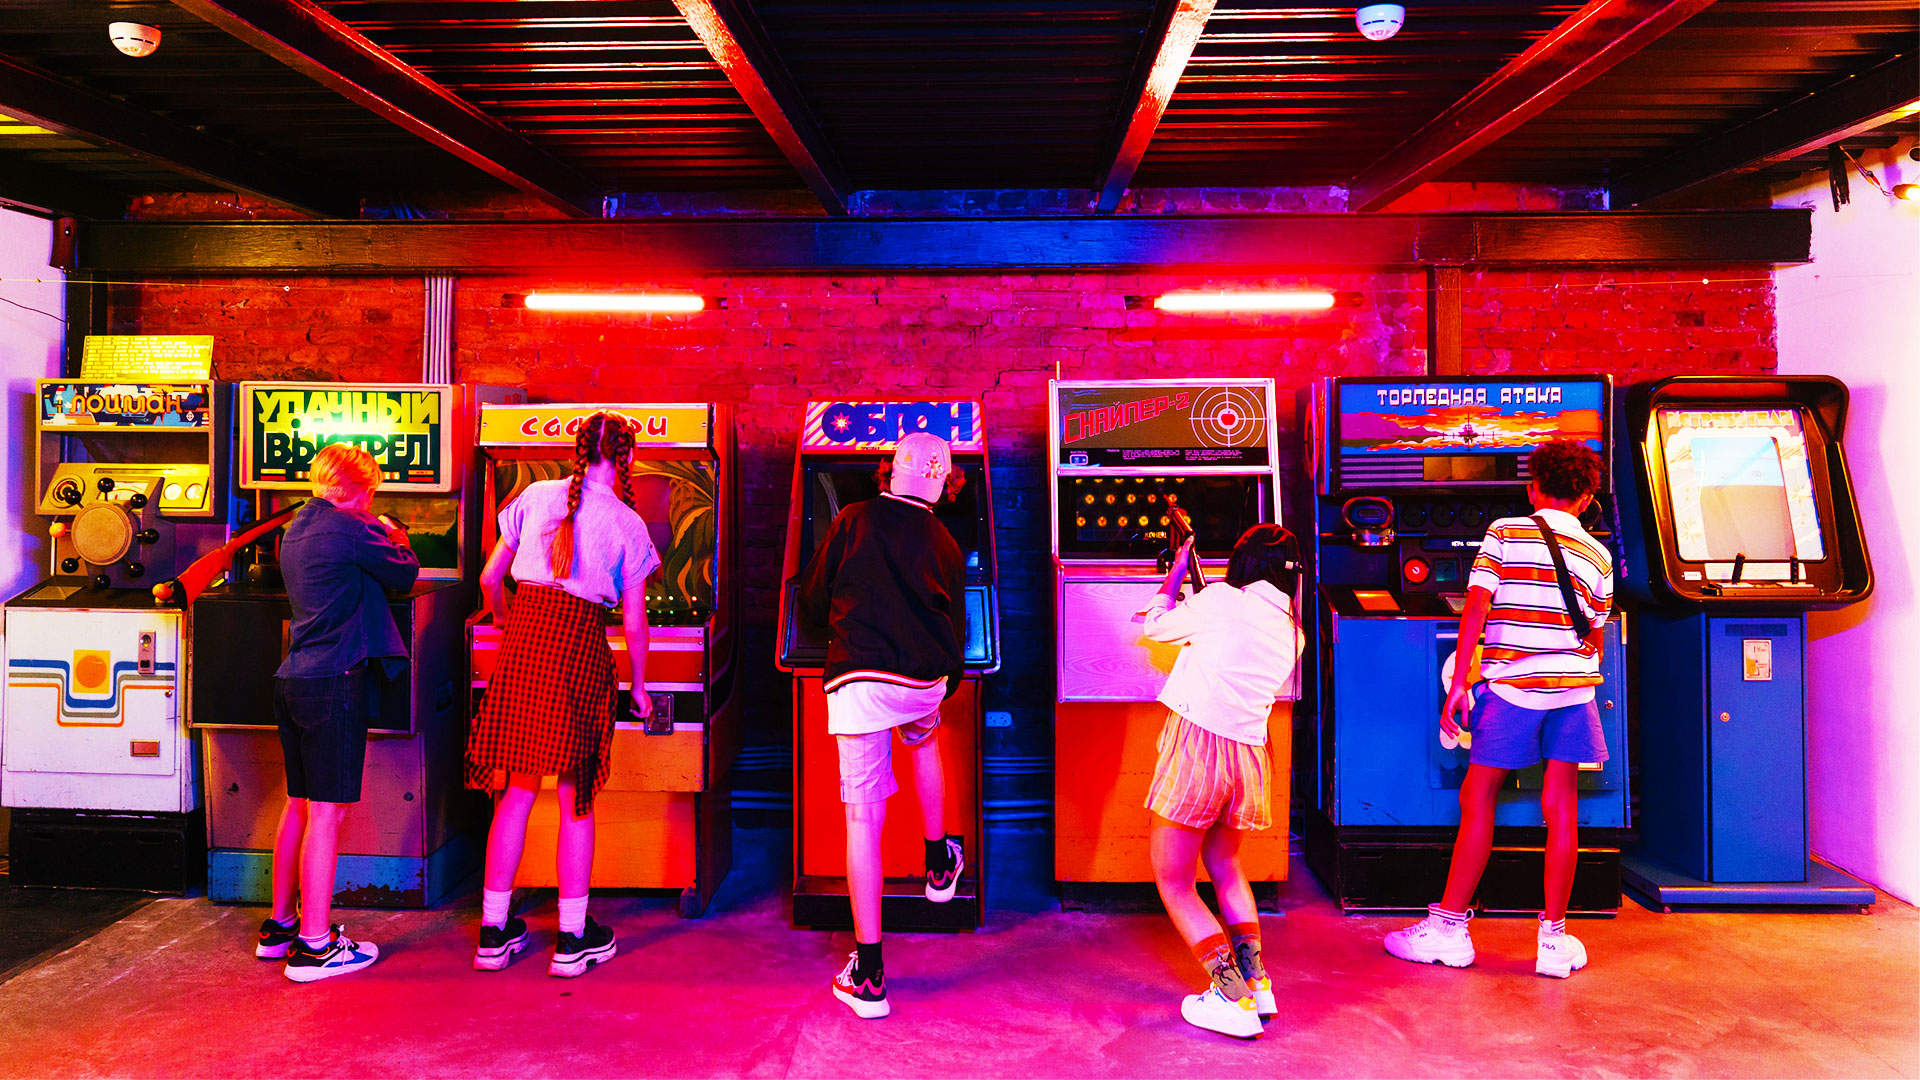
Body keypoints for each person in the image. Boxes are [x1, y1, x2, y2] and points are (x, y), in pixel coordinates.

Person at [1384, 439, 1613, 979]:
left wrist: (1461, 681)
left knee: (1477, 795)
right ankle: (1553, 941)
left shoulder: (1504, 532)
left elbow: (1476, 613)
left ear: (1533, 487)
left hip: (1514, 689)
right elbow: (1595, 636)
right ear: (1585, 497)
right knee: (1560, 807)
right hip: (1575, 692)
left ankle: (1448, 929)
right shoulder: (1599, 554)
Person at [466, 410, 659, 978]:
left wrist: (506, 621)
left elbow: (487, 579)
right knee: (578, 796)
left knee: (517, 792)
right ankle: (573, 940)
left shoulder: (533, 495)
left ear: (577, 449)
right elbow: (636, 621)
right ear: (624, 458)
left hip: (524, 645)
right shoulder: (627, 523)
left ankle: (492, 932)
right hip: (579, 652)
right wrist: (641, 687)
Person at [797, 431, 969, 1020]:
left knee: (863, 818)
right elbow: (957, 621)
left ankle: (868, 974)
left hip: (860, 681)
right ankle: (938, 859)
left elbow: (813, 601)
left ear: (888, 470)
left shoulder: (852, 518)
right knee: (924, 738)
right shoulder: (946, 540)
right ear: (945, 481)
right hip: (922, 679)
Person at [255, 443, 418, 983]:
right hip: (336, 681)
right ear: (359, 490)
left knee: (299, 803)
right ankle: (316, 946)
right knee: (329, 812)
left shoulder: (295, 526)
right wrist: (395, 534)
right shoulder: (352, 527)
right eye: (371, 492)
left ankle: (281, 926)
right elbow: (404, 573)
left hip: (293, 678)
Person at [1139, 523, 1304, 1039]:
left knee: (1175, 881)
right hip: (1250, 758)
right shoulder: (1292, 630)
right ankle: (1257, 983)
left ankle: (1228, 995)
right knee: (1227, 865)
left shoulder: (1223, 602)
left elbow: (1157, 627)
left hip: (1198, 749)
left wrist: (1175, 574)